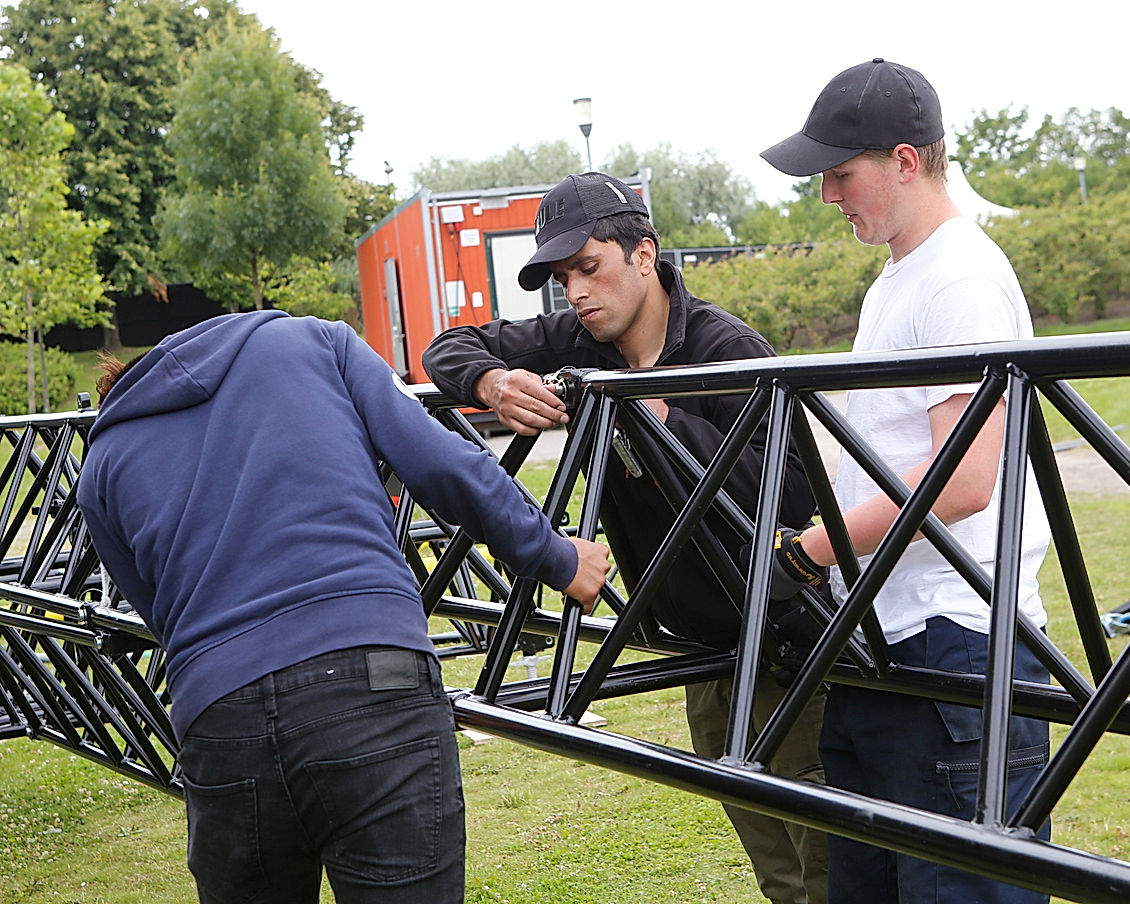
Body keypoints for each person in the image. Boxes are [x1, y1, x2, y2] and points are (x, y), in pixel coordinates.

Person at [75, 310, 611, 904]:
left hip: (220, 718)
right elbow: (445, 464)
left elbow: (157, 610)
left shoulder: (104, 456)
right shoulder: (316, 342)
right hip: (372, 676)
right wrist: (557, 556)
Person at [422, 172, 828, 904]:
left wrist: (664, 424)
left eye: (588, 267)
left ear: (645, 255)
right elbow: (447, 345)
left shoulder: (726, 347)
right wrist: (490, 382)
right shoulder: (584, 339)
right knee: (778, 876)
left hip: (786, 641)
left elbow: (794, 494)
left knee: (828, 870)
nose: (574, 291)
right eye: (561, 277)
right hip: (701, 648)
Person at [760, 59, 1053, 903]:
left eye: (840, 174)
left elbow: (965, 477)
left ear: (905, 160)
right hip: (893, 638)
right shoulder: (902, 276)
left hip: (956, 647)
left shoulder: (958, 278)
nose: (827, 195)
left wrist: (813, 551)